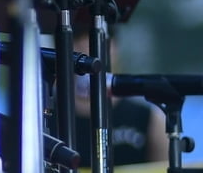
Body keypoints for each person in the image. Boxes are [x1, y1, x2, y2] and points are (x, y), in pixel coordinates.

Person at [72, 28, 169, 166]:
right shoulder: (43, 118)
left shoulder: (147, 118)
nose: (86, 46)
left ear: (115, 47)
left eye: (98, 40)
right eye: (77, 39)